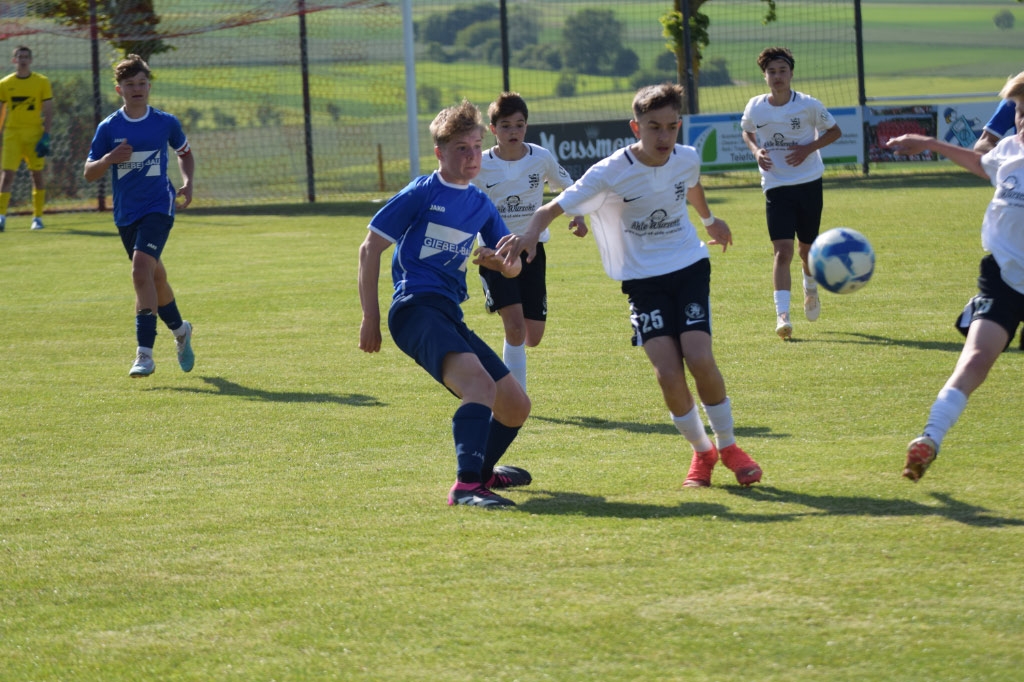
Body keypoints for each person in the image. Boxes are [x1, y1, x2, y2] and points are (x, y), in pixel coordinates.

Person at [507, 82, 763, 488]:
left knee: (699, 357)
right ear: (635, 127)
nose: (664, 136)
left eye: (672, 127)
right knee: (667, 373)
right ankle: (702, 452)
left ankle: (729, 446)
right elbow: (550, 208)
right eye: (654, 127)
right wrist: (528, 237)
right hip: (642, 280)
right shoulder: (611, 171)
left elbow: (691, 184)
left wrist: (710, 220)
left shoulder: (687, 157)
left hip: (688, 266)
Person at [358, 99, 533, 508]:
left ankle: (482, 471)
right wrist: (370, 318)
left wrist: (499, 263)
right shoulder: (422, 192)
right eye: (461, 149)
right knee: (479, 387)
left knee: (515, 406)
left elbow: (512, 268)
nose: (471, 157)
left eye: (476, 147)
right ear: (440, 153)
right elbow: (370, 248)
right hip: (415, 310)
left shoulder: (480, 204)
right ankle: (466, 487)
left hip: (448, 314)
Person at [886, 71, 1024, 482]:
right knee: (977, 358)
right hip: (1004, 278)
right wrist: (929, 143)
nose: (1022, 120)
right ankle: (930, 438)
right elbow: (981, 163)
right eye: (1019, 111)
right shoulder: (1009, 151)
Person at [83, 54, 195, 378]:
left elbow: (185, 153)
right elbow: (89, 172)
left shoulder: (165, 122)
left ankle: (144, 354)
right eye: (130, 84)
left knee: (139, 270)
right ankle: (181, 330)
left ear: (149, 86)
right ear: (119, 89)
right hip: (126, 213)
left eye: (142, 83)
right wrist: (108, 158)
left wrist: (188, 181)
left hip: (159, 206)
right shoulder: (109, 127)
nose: (137, 89)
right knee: (154, 278)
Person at [471, 92, 588, 389]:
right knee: (514, 328)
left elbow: (568, 188)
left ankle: (501, 345)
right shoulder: (480, 164)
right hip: (496, 253)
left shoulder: (541, 157)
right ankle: (515, 398)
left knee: (532, 336)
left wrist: (578, 216)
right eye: (506, 126)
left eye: (519, 125)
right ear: (493, 129)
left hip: (533, 250)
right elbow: (461, 201)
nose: (514, 131)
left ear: (526, 126)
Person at [740, 46, 842, 340]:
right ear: (764, 76)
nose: (777, 76)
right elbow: (747, 131)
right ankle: (782, 316)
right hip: (775, 184)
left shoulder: (808, 105)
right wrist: (755, 150)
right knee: (782, 251)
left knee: (806, 250)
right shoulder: (756, 106)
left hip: (808, 182)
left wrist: (808, 148)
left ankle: (810, 287)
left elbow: (835, 131)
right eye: (771, 72)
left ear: (791, 73)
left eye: (782, 71)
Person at [0, 46, 53, 231]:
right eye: (19, 57)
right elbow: (1, 111)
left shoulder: (41, 82)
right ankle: (1, 217)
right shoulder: (4, 83)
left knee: (36, 175)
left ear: (30, 60)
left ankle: (37, 218)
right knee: (7, 175)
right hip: (12, 135)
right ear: (13, 60)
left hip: (34, 135)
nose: (22, 60)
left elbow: (48, 109)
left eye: (26, 57)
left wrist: (46, 135)